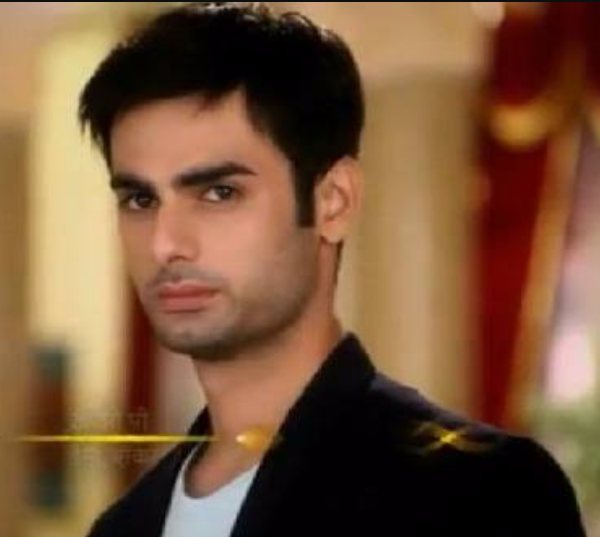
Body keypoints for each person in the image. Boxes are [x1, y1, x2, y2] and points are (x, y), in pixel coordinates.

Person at [78, 3, 586, 536]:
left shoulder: (478, 493)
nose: (165, 243)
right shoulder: (121, 528)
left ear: (333, 202)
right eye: (140, 200)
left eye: (219, 192)